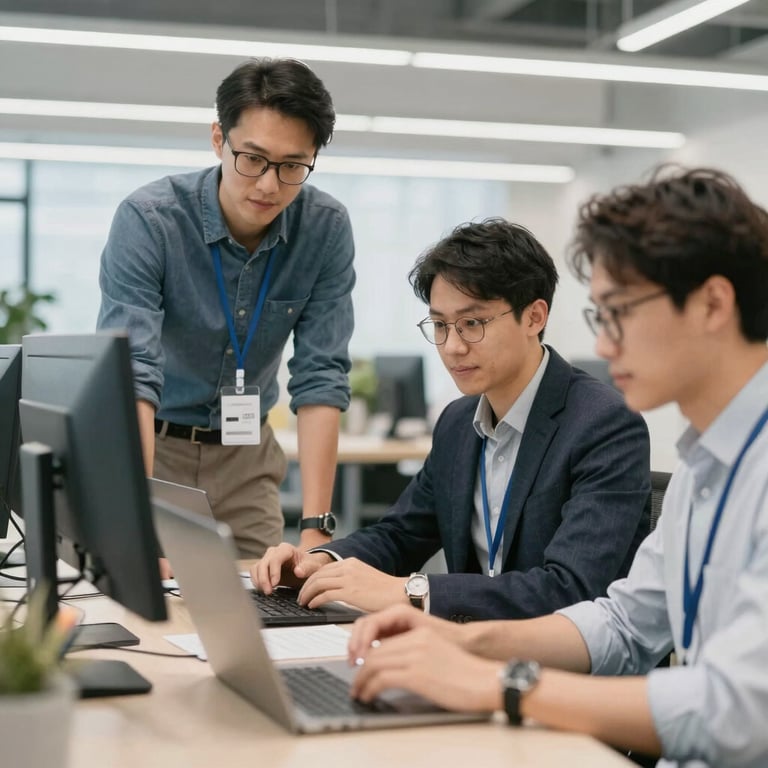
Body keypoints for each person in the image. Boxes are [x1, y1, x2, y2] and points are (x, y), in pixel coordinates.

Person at [346, 167, 768, 768]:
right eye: (600, 318)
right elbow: (623, 624)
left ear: (713, 303)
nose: (602, 346)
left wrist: (504, 685)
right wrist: (459, 638)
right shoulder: (707, 466)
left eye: (619, 312)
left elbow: (742, 710)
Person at [252, 217, 651, 620]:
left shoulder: (604, 425)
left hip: (558, 669)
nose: (452, 346)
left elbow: (569, 589)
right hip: (463, 649)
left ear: (534, 317)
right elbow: (401, 534)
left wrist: (411, 590)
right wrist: (319, 562)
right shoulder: (459, 422)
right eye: (440, 325)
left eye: (472, 324)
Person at [97, 58, 355, 561]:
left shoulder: (324, 229)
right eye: (253, 159)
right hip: (155, 451)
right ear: (219, 138)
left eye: (292, 166)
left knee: (273, 608)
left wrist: (316, 532)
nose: (268, 185)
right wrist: (135, 512)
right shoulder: (151, 221)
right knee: (151, 611)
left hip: (247, 461)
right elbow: (134, 376)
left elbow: (321, 376)